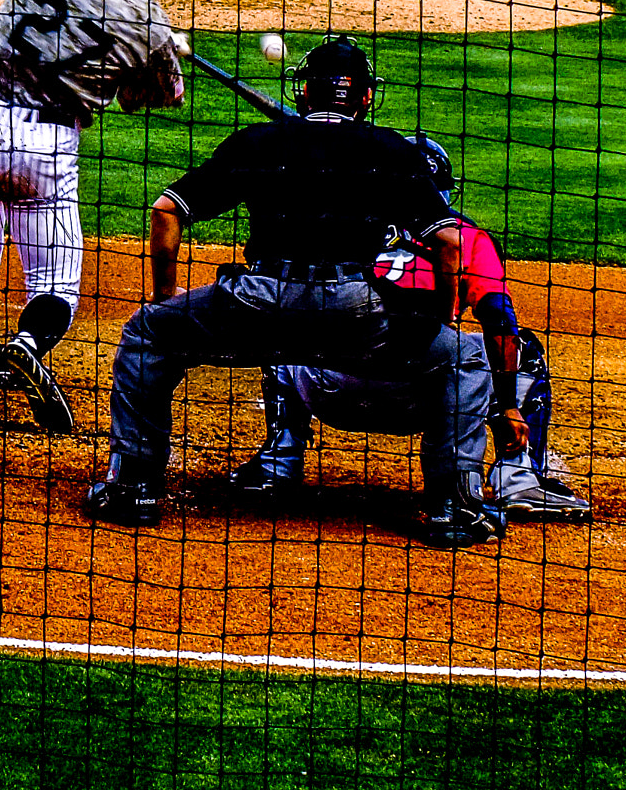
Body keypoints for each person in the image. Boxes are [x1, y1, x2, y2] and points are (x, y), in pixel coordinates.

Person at [83, 38, 506, 550]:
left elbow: (166, 211)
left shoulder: (259, 142)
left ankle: (132, 489)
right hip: (353, 312)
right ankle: (453, 510)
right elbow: (450, 243)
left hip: (256, 306)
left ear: (304, 91)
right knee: (462, 356)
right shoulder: (392, 151)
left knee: (148, 335)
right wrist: (434, 323)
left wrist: (165, 298)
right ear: (366, 97)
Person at [0, 0, 200, 431]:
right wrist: (167, 48)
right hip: (43, 146)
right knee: (56, 280)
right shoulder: (151, 27)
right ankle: (28, 346)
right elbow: (151, 98)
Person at [228, 136, 592, 524]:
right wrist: (506, 407)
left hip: (328, 389)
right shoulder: (468, 238)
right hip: (429, 398)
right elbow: (499, 319)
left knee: (286, 317)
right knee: (525, 349)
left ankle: (278, 461)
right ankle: (516, 476)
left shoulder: (337, 224)